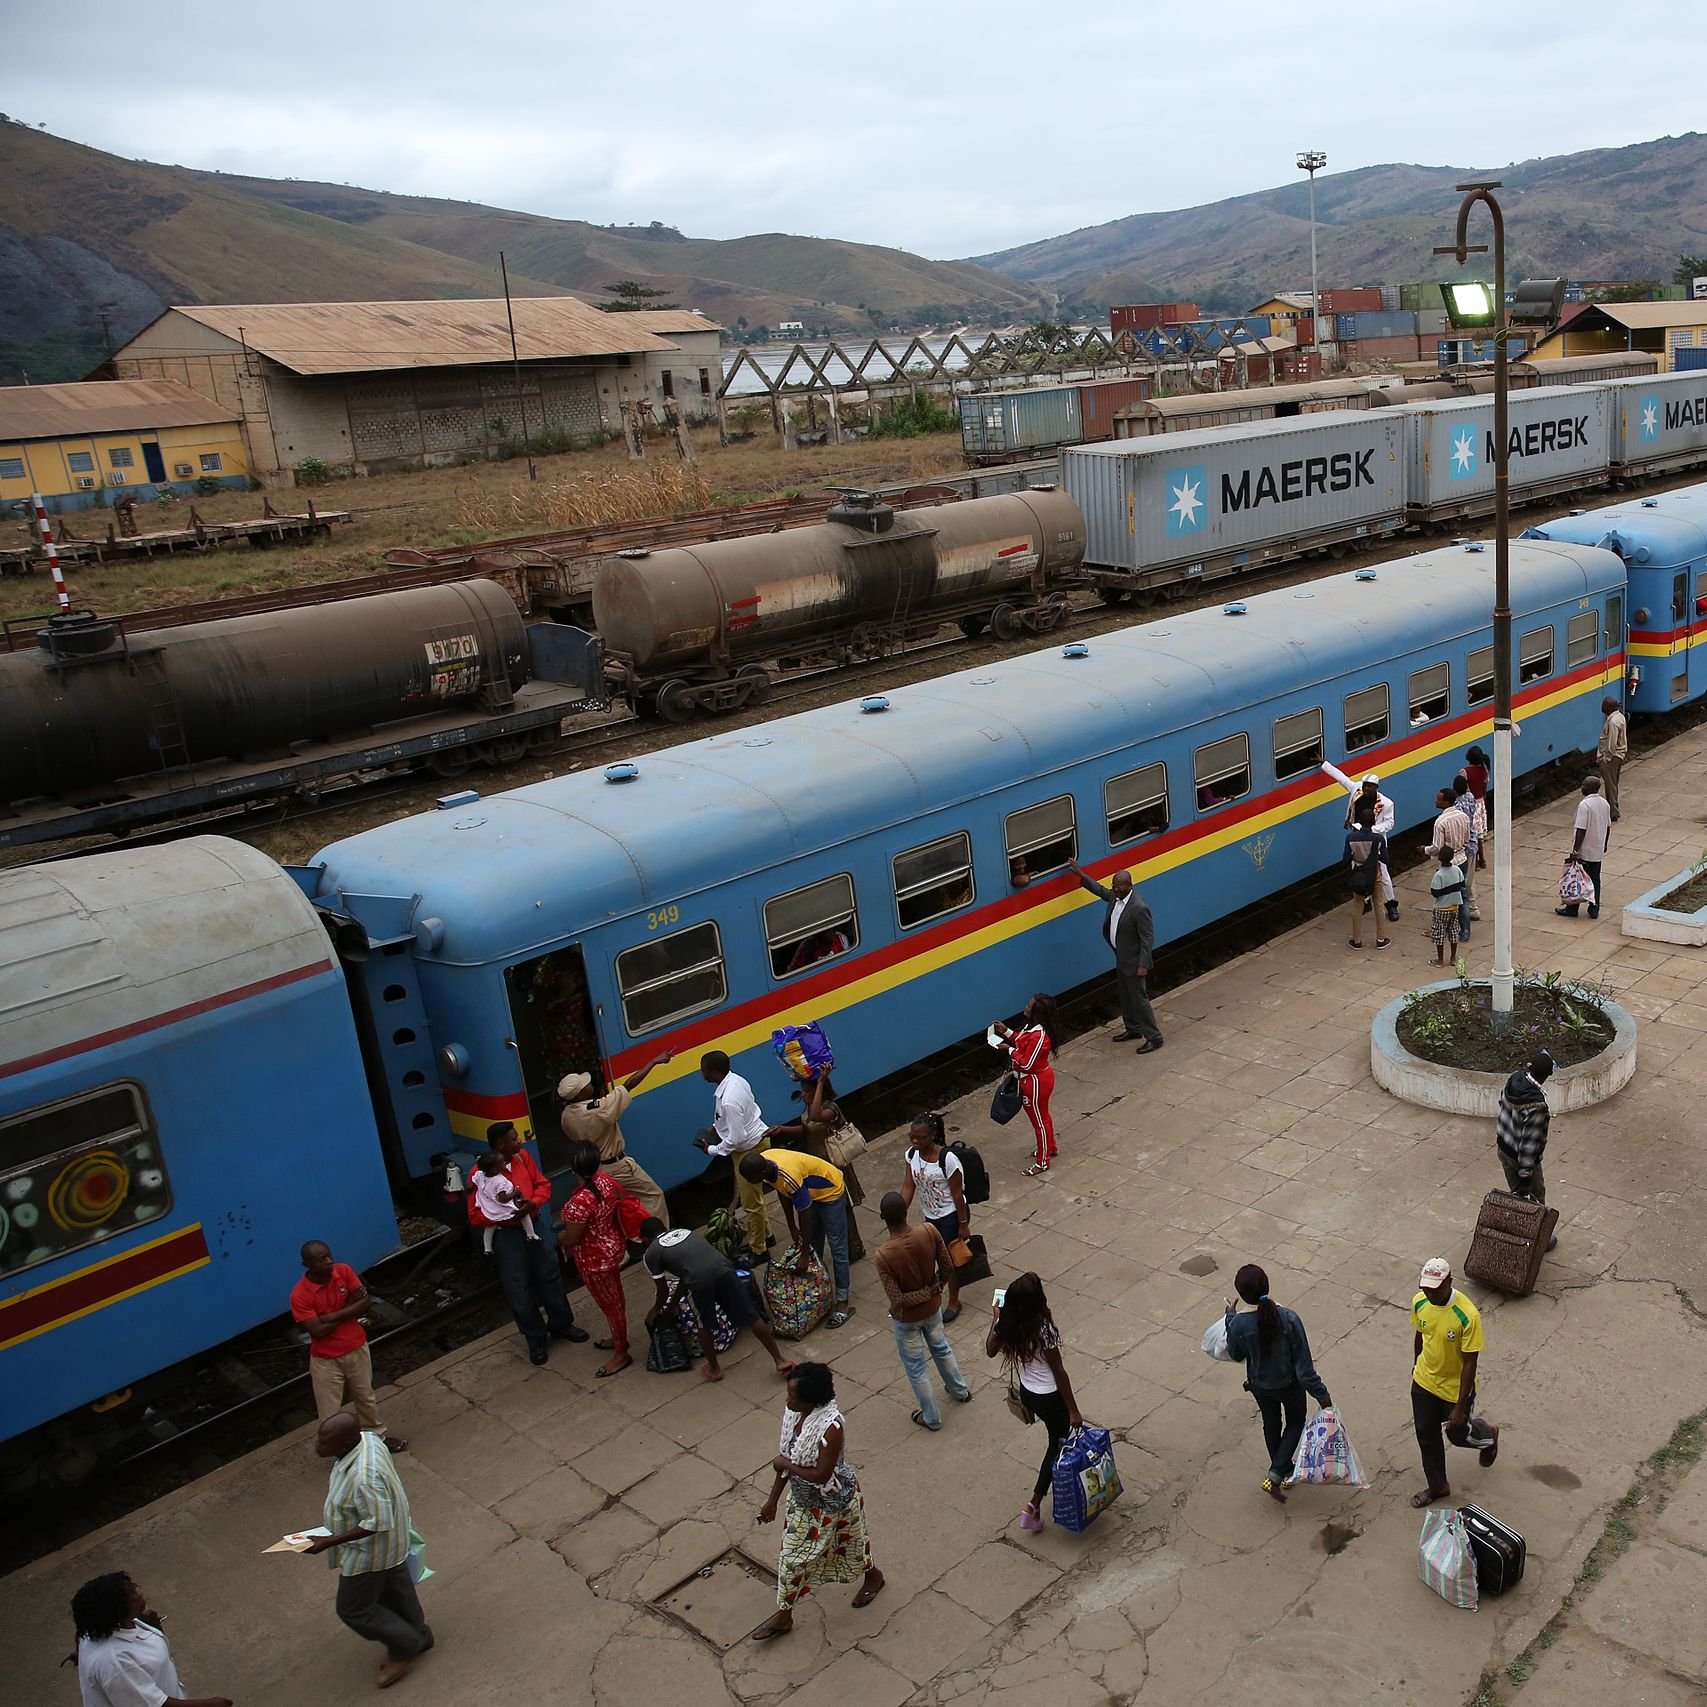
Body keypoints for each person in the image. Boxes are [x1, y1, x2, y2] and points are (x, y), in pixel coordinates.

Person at [753, 1362, 885, 1640]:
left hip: (833, 1502)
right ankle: (785, 1615)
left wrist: (786, 1464)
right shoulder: (794, 1417)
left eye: (792, 1396)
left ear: (811, 1399)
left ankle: (872, 1576)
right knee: (794, 1557)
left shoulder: (830, 1428)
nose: (787, 1401)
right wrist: (772, 1501)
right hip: (803, 1501)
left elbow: (821, 1474)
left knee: (848, 1545)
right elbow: (786, 1462)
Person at [305, 1410, 432, 1690]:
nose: (317, 1445)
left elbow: (377, 1522)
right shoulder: (368, 1439)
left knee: (353, 1608)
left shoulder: (364, 1477)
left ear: (343, 1444)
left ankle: (404, 1645)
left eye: (324, 1442)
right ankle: (420, 1634)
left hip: (370, 1552)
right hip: (393, 1543)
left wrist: (329, 1541)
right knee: (395, 1589)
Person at [469, 1121, 587, 1366]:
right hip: (506, 1235)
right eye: (513, 1139)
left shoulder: (522, 1157)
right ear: (500, 1144)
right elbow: (475, 1214)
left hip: (533, 1224)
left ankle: (561, 1324)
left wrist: (533, 1202)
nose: (519, 1142)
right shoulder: (479, 1174)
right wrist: (503, 1217)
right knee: (518, 1287)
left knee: (550, 1274)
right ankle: (535, 1339)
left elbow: (542, 1184)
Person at [1222, 1264, 1332, 1502]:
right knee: (1295, 1422)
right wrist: (1322, 1395)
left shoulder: (1238, 1324)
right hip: (1289, 1386)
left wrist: (1229, 1317)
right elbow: (1304, 1369)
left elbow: (1236, 1354)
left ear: (1241, 1295)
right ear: (1267, 1285)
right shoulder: (1289, 1318)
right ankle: (1275, 1473)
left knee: (1271, 1423)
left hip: (1259, 1386)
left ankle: (1284, 1469)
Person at [639, 1219, 796, 1382]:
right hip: (724, 1269)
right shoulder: (685, 1232)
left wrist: (656, 1310)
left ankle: (715, 1369)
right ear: (665, 1228)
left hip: (700, 1282)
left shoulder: (652, 1253)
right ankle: (780, 1360)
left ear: (644, 1238)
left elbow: (663, 1290)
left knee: (704, 1324)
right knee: (752, 1316)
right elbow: (685, 1276)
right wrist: (673, 1305)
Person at [986, 1271, 1083, 1532]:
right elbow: (1058, 1371)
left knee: (1055, 1442)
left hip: (1029, 1391)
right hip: (1050, 1396)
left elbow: (990, 1350)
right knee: (1056, 1446)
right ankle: (1033, 1506)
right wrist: (1073, 1410)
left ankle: (1035, 1507)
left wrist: (996, 1319)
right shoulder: (1043, 1329)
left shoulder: (1008, 1324)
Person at [290, 1241, 406, 1452]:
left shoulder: (343, 1271)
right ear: (307, 1265)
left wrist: (329, 1316)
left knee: (365, 1398)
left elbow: (365, 1303)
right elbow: (318, 1331)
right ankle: (341, 1452)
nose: (328, 1261)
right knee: (329, 1413)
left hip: (356, 1347)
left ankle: (377, 1438)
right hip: (326, 1360)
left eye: (328, 1255)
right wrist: (350, 1307)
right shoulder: (300, 1295)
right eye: (321, 1259)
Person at [872, 1191, 972, 1431]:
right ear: (906, 1212)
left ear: (883, 1218)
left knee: (916, 1369)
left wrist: (925, 1293)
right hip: (933, 1309)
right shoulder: (928, 1231)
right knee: (942, 1348)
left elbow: (897, 1299)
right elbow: (947, 1266)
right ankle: (960, 1391)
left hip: (907, 1319)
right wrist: (935, 1289)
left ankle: (932, 1417)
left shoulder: (883, 1255)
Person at [1409, 1258, 1499, 1509]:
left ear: (1449, 1281)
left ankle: (1488, 1435)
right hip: (1425, 1380)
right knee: (1426, 1435)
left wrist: (1460, 1406)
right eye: (1426, 1289)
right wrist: (1416, 1365)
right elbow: (1420, 1334)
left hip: (1454, 1388)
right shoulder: (1420, 1302)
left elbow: (1470, 1362)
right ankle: (1438, 1485)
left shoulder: (1467, 1315)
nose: (1430, 1294)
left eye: (1435, 1289)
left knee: (1457, 1434)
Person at [71, 1572, 231, 1707]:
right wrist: (211, 1704)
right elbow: (157, 1705)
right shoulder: (116, 1663)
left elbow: (80, 1636)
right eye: (133, 1598)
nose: (139, 1595)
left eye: (134, 1589)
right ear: (115, 1612)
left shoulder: (95, 1629)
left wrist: (83, 1658)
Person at [740, 1146, 854, 1326]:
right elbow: (783, 1192)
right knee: (814, 1244)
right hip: (811, 1193)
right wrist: (792, 1226)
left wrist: (804, 1253)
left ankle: (842, 1302)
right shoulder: (766, 1165)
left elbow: (804, 1211)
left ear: (761, 1172)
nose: (749, 1182)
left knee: (837, 1248)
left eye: (750, 1178)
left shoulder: (789, 1176)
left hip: (830, 1192)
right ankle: (820, 1292)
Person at [557, 1049, 672, 1225]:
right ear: (580, 1095)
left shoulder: (566, 1116)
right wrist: (653, 1061)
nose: (590, 1085)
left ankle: (635, 1236)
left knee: (618, 1208)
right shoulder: (598, 1109)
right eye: (586, 1085)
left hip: (595, 1169)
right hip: (616, 1166)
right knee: (653, 1195)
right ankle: (660, 1234)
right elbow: (628, 1086)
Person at [765, 1072, 866, 1262]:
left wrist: (819, 1082)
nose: (803, 1095)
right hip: (815, 1164)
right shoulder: (810, 1106)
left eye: (807, 1091)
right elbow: (807, 1129)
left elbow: (815, 1116)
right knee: (820, 1209)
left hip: (832, 1164)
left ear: (820, 1091)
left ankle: (854, 1248)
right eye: (803, 1091)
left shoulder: (830, 1109)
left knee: (842, 1209)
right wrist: (782, 1130)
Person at [1068, 861, 1163, 1053]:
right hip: (1122, 957)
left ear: (1129, 885)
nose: (1115, 889)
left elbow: (1147, 938)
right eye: (1114, 886)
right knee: (1125, 996)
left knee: (1139, 999)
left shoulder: (1139, 907)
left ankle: (1154, 1037)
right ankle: (1133, 1029)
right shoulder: (1115, 896)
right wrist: (1081, 875)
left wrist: (1143, 964)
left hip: (1134, 962)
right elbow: (1100, 890)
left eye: (1119, 886)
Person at [558, 1140, 631, 1377]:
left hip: (594, 1261)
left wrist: (560, 1237)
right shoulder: (605, 1182)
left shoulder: (578, 1204)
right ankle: (618, 1338)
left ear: (573, 1169)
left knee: (611, 1306)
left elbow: (572, 1237)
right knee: (616, 1299)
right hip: (612, 1249)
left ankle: (621, 1353)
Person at [693, 1051, 771, 1263]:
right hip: (753, 1144)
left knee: (751, 1204)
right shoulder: (736, 1080)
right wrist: (716, 1127)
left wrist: (712, 1149)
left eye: (703, 1070)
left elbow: (737, 1138)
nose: (702, 1073)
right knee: (755, 1197)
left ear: (714, 1072)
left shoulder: (729, 1100)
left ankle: (759, 1250)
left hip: (748, 1151)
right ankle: (766, 1235)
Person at [901, 1112, 968, 1322]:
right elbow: (908, 1186)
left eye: (920, 1137)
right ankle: (935, 1294)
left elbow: (957, 1194)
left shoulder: (947, 1159)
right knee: (933, 1257)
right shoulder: (911, 1155)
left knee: (950, 1260)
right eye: (912, 1136)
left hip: (950, 1216)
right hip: (930, 1217)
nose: (915, 1141)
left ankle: (954, 1301)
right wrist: (899, 1213)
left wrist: (963, 1224)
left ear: (932, 1135)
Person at [1497, 1051, 1558, 1250]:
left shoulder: (1513, 1082)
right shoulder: (1536, 1106)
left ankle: (1518, 1232)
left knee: (1516, 1195)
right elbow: (1529, 1146)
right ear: (1546, 1076)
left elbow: (1502, 1106)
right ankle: (1539, 1239)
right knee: (1536, 1198)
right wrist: (1526, 1176)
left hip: (1504, 1149)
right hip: (1520, 1158)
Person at [994, 993, 1060, 1176]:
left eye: (1029, 1006)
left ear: (1037, 1013)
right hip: (1032, 1080)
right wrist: (1006, 1031)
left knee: (1039, 1122)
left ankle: (1043, 1162)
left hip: (1035, 1082)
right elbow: (1022, 1042)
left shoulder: (1039, 1036)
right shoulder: (1031, 1029)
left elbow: (1027, 1064)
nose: (1026, 1007)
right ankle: (1050, 1147)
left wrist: (1009, 1050)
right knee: (1042, 1117)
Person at [1322, 762, 1397, 920]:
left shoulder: (1386, 803)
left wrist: (1371, 829)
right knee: (1359, 870)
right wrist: (1324, 764)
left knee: (1382, 873)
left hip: (1375, 839)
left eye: (1369, 786)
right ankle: (1366, 901)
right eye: (1365, 785)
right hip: (1357, 838)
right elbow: (1342, 778)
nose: (1366, 788)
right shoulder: (1356, 790)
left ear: (1376, 787)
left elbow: (1390, 824)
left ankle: (1391, 904)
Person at [1557, 775, 1613, 921]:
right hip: (1597, 849)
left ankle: (1572, 908)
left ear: (1592, 788)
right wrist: (1605, 843)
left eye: (1584, 785)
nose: (1582, 787)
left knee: (1577, 878)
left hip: (1584, 850)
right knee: (1595, 879)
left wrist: (1575, 851)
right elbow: (1608, 826)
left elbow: (1581, 829)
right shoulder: (1605, 803)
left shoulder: (1584, 805)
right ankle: (1594, 908)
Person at [1421, 784, 1472, 942]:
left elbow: (1436, 847)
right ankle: (1465, 931)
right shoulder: (1463, 816)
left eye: (1439, 799)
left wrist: (1424, 850)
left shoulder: (1440, 822)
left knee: (1443, 898)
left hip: (1447, 865)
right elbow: (1467, 839)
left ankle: (1441, 929)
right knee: (1463, 896)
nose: (1436, 801)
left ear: (1446, 802)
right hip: (1462, 859)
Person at [1345, 801, 1391, 950]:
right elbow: (1386, 859)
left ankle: (1357, 940)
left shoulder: (1350, 838)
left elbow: (1346, 858)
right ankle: (1381, 939)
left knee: (1357, 906)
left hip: (1359, 875)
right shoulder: (1378, 839)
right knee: (1379, 905)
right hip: (1375, 874)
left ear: (1359, 822)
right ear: (1373, 822)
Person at [471, 1151, 538, 1248]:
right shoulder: (499, 1181)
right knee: (523, 1213)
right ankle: (531, 1234)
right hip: (503, 1209)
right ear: (495, 1169)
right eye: (502, 1162)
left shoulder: (481, 1175)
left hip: (489, 1206)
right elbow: (502, 1199)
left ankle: (487, 1248)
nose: (504, 1163)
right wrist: (515, 1193)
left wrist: (469, 1188)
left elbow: (473, 1182)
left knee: (490, 1227)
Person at [1452, 771, 1483, 923]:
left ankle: (1471, 908)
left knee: (1465, 880)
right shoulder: (1470, 798)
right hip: (1473, 842)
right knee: (1470, 878)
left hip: (1464, 846)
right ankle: (1472, 906)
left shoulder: (1458, 807)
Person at [1429, 846, 1467, 965]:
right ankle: (1453, 958)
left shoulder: (1438, 874)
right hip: (1454, 907)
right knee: (1453, 932)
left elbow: (1435, 893)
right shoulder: (1457, 869)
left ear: (1439, 858)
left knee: (1439, 934)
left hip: (1441, 908)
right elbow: (1463, 884)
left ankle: (1440, 960)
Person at [1597, 696, 1628, 820]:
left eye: (1604, 705)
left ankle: (1613, 812)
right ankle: (1614, 808)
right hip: (1618, 756)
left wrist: (1606, 758)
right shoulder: (1620, 717)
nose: (1602, 707)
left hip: (1612, 757)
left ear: (1609, 707)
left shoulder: (1613, 722)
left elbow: (1611, 743)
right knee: (1613, 784)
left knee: (1610, 786)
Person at [1464, 745, 1492, 869]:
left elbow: (1465, 789)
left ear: (1468, 757)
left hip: (1470, 805)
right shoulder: (1484, 771)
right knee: (1479, 834)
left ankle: (1474, 862)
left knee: (1471, 834)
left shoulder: (1464, 772)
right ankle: (1482, 859)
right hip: (1480, 804)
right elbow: (1484, 790)